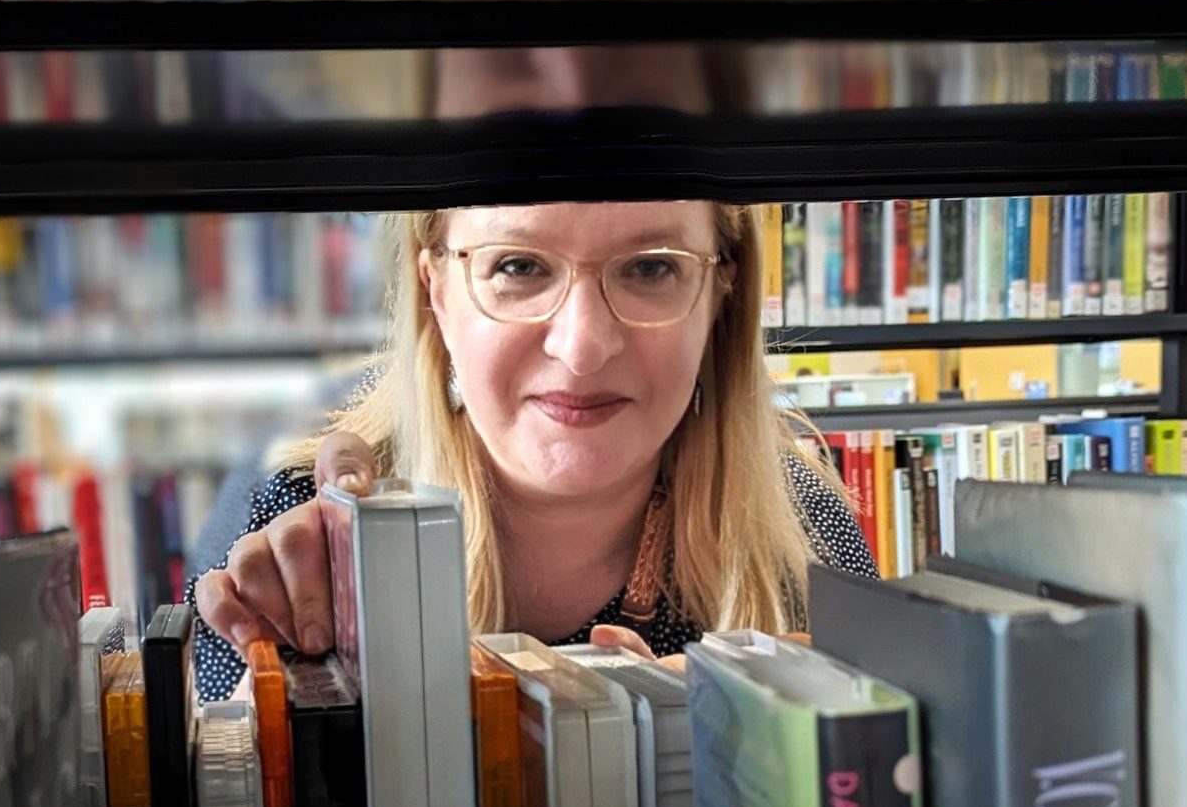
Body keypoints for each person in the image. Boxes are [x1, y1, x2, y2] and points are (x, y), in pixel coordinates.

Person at [191, 197, 876, 701]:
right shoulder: (297, 523)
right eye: (518, 266)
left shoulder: (804, 537)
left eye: (649, 268)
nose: (581, 348)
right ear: (436, 287)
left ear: (722, 291)